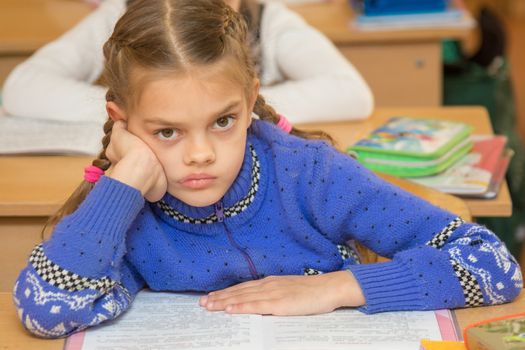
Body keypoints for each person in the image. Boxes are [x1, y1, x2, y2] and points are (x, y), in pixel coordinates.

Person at [13, 0, 521, 339]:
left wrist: (338, 287)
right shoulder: (127, 208)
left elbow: (493, 268)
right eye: (166, 131)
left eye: (223, 122)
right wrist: (124, 182)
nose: (200, 155)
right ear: (121, 122)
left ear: (251, 99)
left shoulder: (311, 175)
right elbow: (47, 309)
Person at [2, 0, 373, 125]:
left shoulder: (268, 18)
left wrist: (232, 113)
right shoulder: (124, 11)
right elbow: (23, 86)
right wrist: (141, 116)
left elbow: (351, 93)